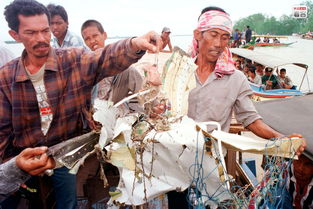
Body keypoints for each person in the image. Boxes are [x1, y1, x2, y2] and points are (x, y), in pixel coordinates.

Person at [1, 0, 161, 209]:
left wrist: (134, 44)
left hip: (64, 154)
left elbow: (105, 58)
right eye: (31, 33)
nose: (41, 39)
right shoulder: (6, 77)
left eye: (45, 31)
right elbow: (2, 130)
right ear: (15, 35)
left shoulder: (73, 61)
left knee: (67, 204)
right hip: (24, 159)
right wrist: (10, 168)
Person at [81, 19, 143, 107]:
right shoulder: (86, 61)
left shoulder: (112, 54)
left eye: (95, 36)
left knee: (128, 70)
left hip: (111, 100)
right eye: (87, 39)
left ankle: (153, 106)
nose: (92, 41)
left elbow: (126, 51)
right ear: (84, 42)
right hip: (96, 105)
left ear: (104, 35)